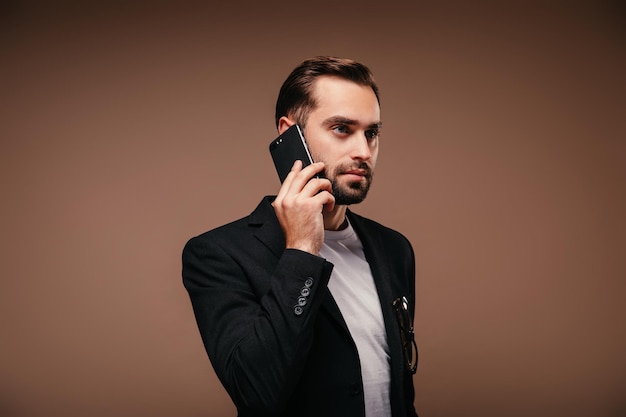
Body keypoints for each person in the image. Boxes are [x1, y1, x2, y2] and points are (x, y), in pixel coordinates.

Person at [182, 56, 419, 417]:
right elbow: (256, 392)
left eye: (371, 133)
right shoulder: (218, 254)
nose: (363, 151)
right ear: (289, 135)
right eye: (342, 128)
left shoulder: (394, 249)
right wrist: (302, 250)